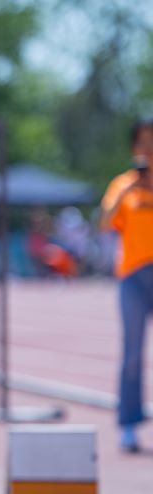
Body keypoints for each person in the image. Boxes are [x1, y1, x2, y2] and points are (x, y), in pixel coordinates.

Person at [100, 118, 153, 453]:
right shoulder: (123, 184)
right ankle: (129, 425)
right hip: (133, 276)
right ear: (135, 148)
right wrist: (130, 191)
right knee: (132, 353)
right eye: (143, 143)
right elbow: (105, 222)